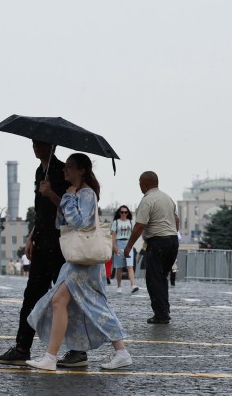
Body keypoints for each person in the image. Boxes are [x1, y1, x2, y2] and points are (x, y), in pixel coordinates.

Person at [25, 153, 132, 371]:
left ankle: (51, 357)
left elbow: (80, 223)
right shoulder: (74, 193)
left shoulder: (85, 193)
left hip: (84, 261)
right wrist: (58, 196)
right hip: (78, 260)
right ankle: (119, 352)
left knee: (62, 302)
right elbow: (61, 222)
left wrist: (66, 198)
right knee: (72, 303)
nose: (65, 170)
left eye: (70, 167)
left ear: (81, 170)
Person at [0, 140, 76, 366]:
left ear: (53, 145)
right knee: (31, 296)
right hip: (42, 243)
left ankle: (78, 351)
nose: (35, 147)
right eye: (33, 143)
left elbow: (70, 210)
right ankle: (22, 348)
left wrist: (51, 194)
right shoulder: (41, 170)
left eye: (40, 143)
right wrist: (31, 236)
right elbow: (40, 211)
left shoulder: (62, 171)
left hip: (60, 245)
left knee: (66, 298)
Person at [123, 171, 179, 325]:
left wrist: (128, 247)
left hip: (158, 242)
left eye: (140, 182)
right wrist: (172, 234)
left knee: (154, 279)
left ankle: (161, 315)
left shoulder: (147, 200)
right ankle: (164, 310)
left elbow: (140, 225)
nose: (139, 185)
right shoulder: (167, 198)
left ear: (146, 183)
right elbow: (177, 220)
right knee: (162, 277)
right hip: (172, 241)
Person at [110, 205, 139, 294]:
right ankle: (119, 286)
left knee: (130, 266)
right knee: (120, 267)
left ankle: (133, 285)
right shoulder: (116, 222)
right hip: (119, 243)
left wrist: (131, 245)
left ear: (128, 213)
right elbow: (113, 236)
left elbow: (133, 234)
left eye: (126, 212)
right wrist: (114, 246)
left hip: (128, 244)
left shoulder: (131, 222)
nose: (124, 214)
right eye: (122, 212)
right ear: (119, 213)